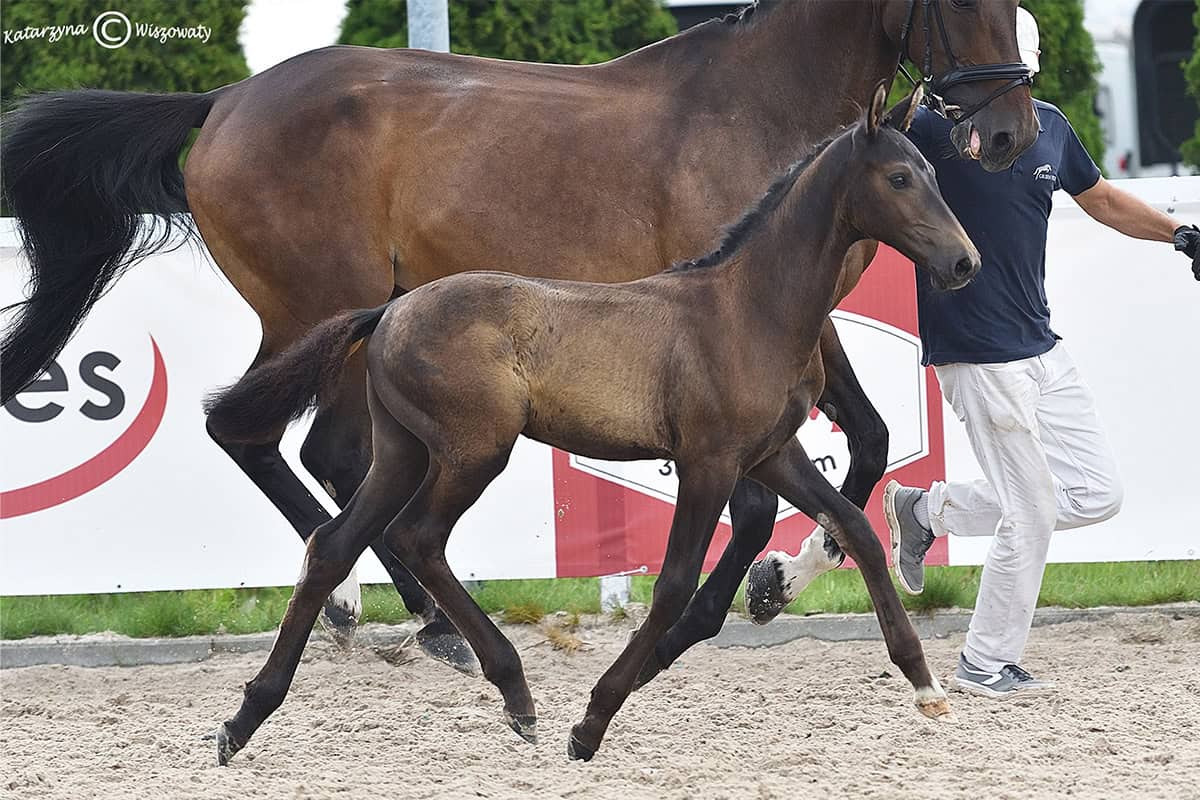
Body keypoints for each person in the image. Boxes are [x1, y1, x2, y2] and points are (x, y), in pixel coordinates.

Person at [884, 7, 1200, 698]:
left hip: (1039, 345)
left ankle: (926, 513)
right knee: (1030, 509)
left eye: (1019, 78)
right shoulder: (926, 131)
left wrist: (1179, 234)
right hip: (974, 350)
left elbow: (1104, 200)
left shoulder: (1049, 126)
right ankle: (984, 662)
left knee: (1094, 493)